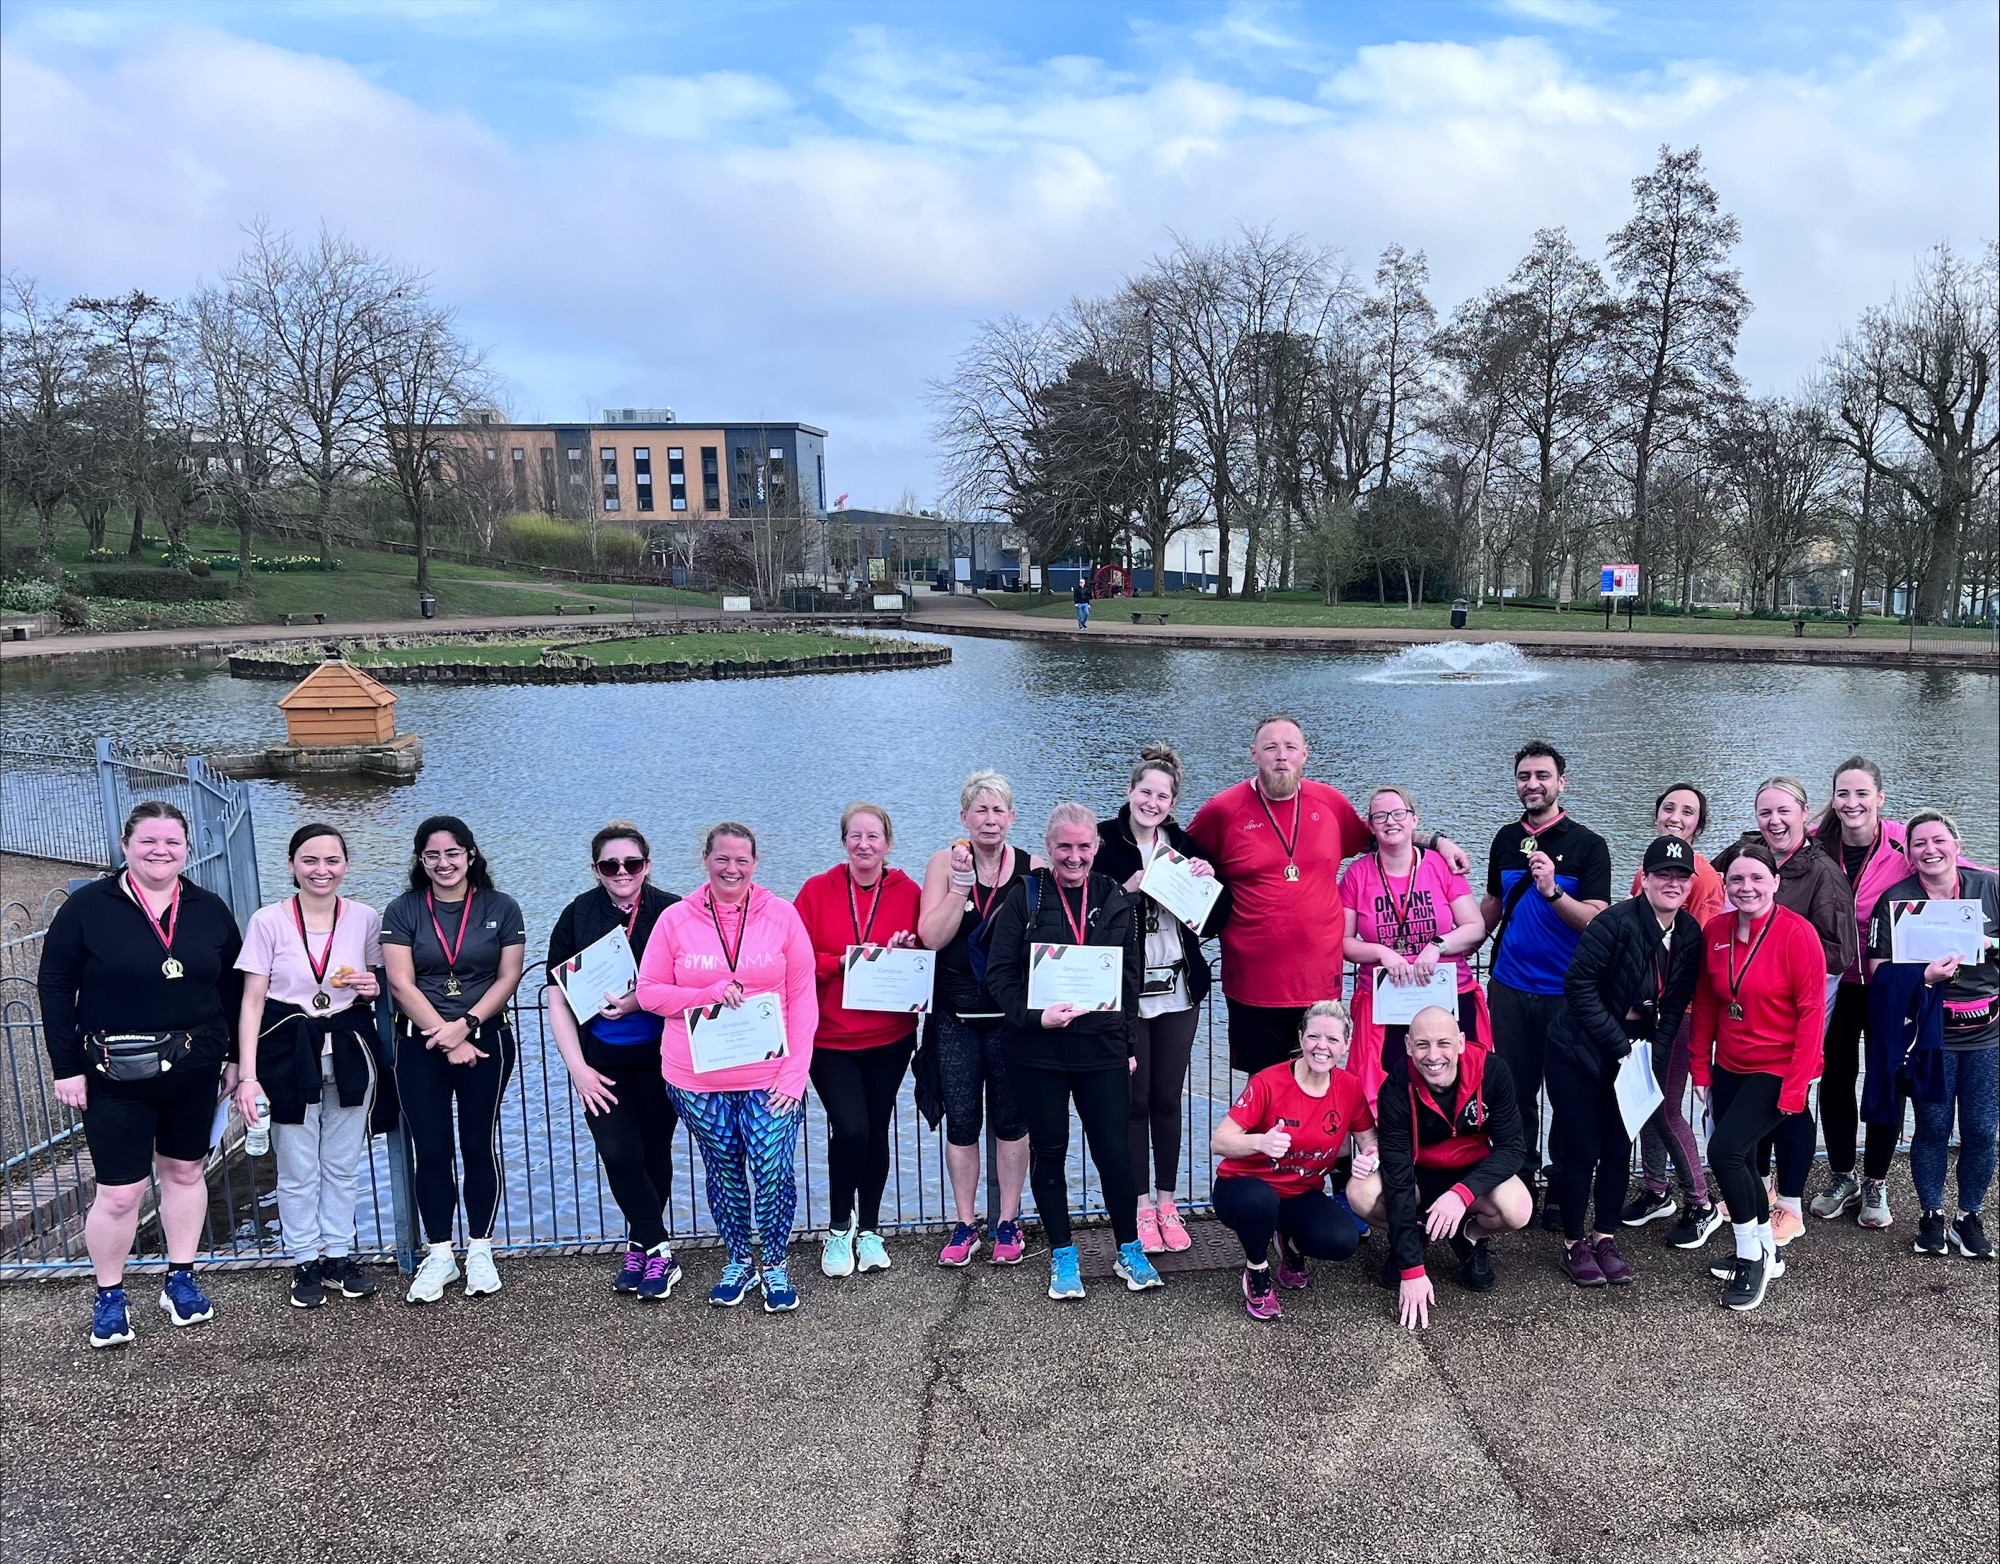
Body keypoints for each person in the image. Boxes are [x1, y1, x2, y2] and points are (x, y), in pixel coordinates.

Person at [37, 801, 244, 1347]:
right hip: (112, 1074)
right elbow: (55, 988)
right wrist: (66, 1067)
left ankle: (181, 1278)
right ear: (126, 845)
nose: (160, 851)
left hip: (194, 1069)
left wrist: (234, 1059)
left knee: (185, 1173)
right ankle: (109, 1295)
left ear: (187, 849)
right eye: (148, 841)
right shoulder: (87, 907)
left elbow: (232, 986)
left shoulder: (207, 908)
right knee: (120, 1193)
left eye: (172, 842)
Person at [1189, 714, 1466, 1078]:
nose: (1281, 756)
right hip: (1252, 983)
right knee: (1265, 1088)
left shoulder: (1329, 802)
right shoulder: (1223, 810)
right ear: (1253, 754)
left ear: (1305, 754)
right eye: (1271, 747)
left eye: (1290, 747)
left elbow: (1384, 832)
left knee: (1320, 1082)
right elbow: (1180, 857)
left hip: (1320, 980)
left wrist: (1437, 842)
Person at [637, 822, 818, 1312]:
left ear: (755, 863)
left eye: (741, 860)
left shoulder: (782, 916)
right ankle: (739, 1260)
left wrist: (795, 1075)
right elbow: (649, 993)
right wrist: (707, 994)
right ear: (705, 860)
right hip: (697, 1080)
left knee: (772, 1169)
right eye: (722, 858)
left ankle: (774, 1263)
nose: (731, 868)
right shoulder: (676, 919)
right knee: (725, 1171)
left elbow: (803, 999)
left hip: (770, 1077)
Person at [984, 802, 1159, 1300]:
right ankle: (1063, 1254)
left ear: (1097, 847)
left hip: (1102, 1050)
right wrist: (1035, 1016)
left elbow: (1128, 981)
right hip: (1037, 1050)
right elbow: (999, 975)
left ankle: (1129, 1247)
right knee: (1051, 1151)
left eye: (1083, 846)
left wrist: (1128, 1045)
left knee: (1114, 1154)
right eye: (1064, 846)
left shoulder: (1114, 897)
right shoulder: (1026, 896)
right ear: (1048, 847)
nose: (1074, 856)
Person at [234, 824, 390, 1310]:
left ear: (345, 865)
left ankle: (338, 1255)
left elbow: (375, 984)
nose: (321, 870)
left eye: (331, 860)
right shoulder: (267, 921)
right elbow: (252, 1001)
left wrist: (371, 986)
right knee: (297, 1167)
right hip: (287, 1054)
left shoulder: (364, 918)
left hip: (348, 1051)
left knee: (342, 1163)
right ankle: (304, 1257)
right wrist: (247, 1075)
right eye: (310, 860)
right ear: (291, 865)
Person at [383, 815, 528, 1305]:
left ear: (470, 855)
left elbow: (509, 977)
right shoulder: (403, 909)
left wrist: (464, 1025)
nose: (443, 863)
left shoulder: (501, 907)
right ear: (421, 860)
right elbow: (400, 982)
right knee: (432, 1149)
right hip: (419, 1044)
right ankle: (441, 1254)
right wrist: (446, 1038)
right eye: (432, 855)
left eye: (452, 853)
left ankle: (481, 1250)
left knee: (477, 1145)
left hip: (485, 1041)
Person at [1546, 837, 1704, 1287]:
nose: (1672, 883)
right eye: (1663, 874)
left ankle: (1605, 1238)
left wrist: (1654, 1053)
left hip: (1634, 1049)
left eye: (1681, 876)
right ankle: (1574, 1243)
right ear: (1645, 878)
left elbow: (1675, 1002)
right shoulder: (1613, 923)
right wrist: (1620, 1046)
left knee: (1618, 1148)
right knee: (1582, 1149)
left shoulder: (1689, 933)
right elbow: (1579, 989)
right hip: (1578, 1048)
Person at [1095, 744, 1225, 1254]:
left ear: (1173, 802)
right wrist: (1125, 890)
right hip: (1124, 992)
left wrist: (1210, 884)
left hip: (1178, 987)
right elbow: (1086, 915)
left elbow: (1215, 921)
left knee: (1168, 1099)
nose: (1152, 802)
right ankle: (1139, 1206)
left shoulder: (1186, 847)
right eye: (1144, 792)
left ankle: (1168, 1204)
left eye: (1162, 796)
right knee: (1135, 1101)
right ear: (1130, 792)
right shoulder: (1102, 842)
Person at [1688, 839, 1826, 1312]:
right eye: (1737, 879)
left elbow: (1812, 1015)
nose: (1746, 887)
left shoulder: (1797, 934)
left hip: (1779, 1065)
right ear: (1725, 885)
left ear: (1775, 882)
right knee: (1742, 1158)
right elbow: (1707, 1002)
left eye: (1756, 878)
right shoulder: (1717, 930)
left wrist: (1796, 1088)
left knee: (1723, 1152)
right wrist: (1700, 1067)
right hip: (1730, 1062)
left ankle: (1753, 1256)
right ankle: (1764, 1245)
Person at [545, 822, 682, 1299]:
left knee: (655, 1152)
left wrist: (637, 1001)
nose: (622, 872)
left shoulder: (672, 911)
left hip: (663, 1058)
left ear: (648, 865)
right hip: (601, 1061)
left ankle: (642, 1247)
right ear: (595, 870)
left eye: (632, 863)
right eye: (610, 865)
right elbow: (556, 997)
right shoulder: (577, 915)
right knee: (618, 1153)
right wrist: (578, 1070)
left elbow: (689, 985)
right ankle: (659, 1248)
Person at [1479, 741, 1612, 1206]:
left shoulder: (1589, 845)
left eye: (1542, 776)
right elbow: (1492, 906)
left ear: (1561, 783)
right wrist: (1449, 948)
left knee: (1568, 1093)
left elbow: (1596, 919)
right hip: (1509, 988)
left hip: (1566, 993)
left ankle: (1562, 1185)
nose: (1532, 784)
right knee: (1514, 1092)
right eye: (1524, 776)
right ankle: (1519, 1179)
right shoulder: (1504, 839)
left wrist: (1553, 890)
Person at [794, 802, 923, 1279]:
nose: (864, 844)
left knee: (875, 1129)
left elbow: (927, 950)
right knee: (849, 1129)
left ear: (888, 843)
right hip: (830, 1038)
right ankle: (837, 1228)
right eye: (856, 836)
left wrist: (907, 950)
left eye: (873, 836)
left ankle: (869, 1229)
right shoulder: (816, 890)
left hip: (890, 1036)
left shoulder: (910, 892)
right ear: (843, 841)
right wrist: (845, 963)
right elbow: (796, 957)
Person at [1347, 1005, 1532, 1332]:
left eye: (1443, 1043)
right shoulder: (1395, 1088)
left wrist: (1461, 1194)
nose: (1433, 1056)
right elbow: (1398, 1177)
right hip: (1419, 1176)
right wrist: (1412, 1271)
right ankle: (1416, 1234)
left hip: (1472, 1175)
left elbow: (1512, 1148)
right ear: (1408, 1045)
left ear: (1460, 1042)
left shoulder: (1493, 1071)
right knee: (1360, 1193)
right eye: (1422, 1044)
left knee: (1519, 1209)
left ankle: (1469, 1235)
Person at [917, 770, 1038, 1267]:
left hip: (1011, 1018)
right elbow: (931, 937)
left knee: (1012, 1122)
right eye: (980, 810)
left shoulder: (1033, 869)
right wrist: (959, 888)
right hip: (956, 1016)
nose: (990, 819)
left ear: (1012, 817)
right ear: (964, 816)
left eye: (998, 810)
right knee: (962, 1122)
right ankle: (965, 1225)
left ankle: (1008, 1221)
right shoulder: (942, 864)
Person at [1866, 811, 1998, 1260]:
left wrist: (1991, 945)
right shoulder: (1896, 900)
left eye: (1938, 840)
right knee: (1932, 1127)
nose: (1930, 850)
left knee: (1982, 1130)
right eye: (1918, 843)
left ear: (1957, 845)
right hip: (1929, 1035)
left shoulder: (1989, 888)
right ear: (1909, 854)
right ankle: (1931, 1215)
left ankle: (1969, 1215)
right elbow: (1877, 971)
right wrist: (1922, 976)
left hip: (1987, 1034)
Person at [1743, 776, 1858, 1247]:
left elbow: (1841, 953)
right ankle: (1761, 1187)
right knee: (1753, 1092)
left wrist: (1779, 951)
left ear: (1805, 815)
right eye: (1765, 812)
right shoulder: (1750, 853)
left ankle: (1790, 1204)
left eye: (1783, 811)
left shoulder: (1823, 874)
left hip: (1800, 1006)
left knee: (1791, 1097)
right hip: (1752, 1004)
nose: (1774, 821)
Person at [1209, 1002, 1372, 1320]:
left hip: (1299, 1192)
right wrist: (1261, 1142)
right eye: (1313, 1036)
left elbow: (1369, 1140)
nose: (1321, 1047)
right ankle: (1257, 1272)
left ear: (1346, 1045)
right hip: (1242, 1188)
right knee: (1259, 1200)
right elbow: (1220, 1141)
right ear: (1301, 1038)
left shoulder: (1349, 1087)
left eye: (1332, 1039)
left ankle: (1291, 1244)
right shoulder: (1268, 1081)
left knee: (1342, 1241)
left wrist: (1370, 1157)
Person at [1618, 786, 1728, 1248]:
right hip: (1644, 1008)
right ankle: (1655, 1188)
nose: (1676, 817)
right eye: (1669, 808)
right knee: (1645, 1101)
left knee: (1665, 1107)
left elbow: (1696, 946)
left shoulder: (1703, 876)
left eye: (1688, 812)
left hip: (1681, 1010)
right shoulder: (1645, 872)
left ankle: (1701, 1202)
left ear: (1699, 825)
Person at [1807, 757, 1912, 1229]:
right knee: (1835, 1078)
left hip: (1887, 982)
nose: (1852, 803)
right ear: (1833, 798)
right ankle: (1842, 1175)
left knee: (1886, 1079)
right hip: (1833, 981)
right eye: (1843, 794)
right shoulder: (1815, 843)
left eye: (1861, 794)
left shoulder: (1903, 842)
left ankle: (1876, 1181)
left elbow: (1953, 863)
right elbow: (1764, 857)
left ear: (1880, 798)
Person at [1339, 785, 1489, 1111]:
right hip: (1385, 1000)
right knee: (1385, 1092)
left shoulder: (1439, 866)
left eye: (1398, 813)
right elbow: (1344, 942)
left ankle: (1456, 1142)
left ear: (1414, 819)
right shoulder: (1356, 875)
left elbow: (1475, 927)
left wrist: (1438, 945)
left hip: (1447, 992)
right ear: (1370, 825)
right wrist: (1381, 952)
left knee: (1457, 1084)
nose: (1390, 821)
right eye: (1380, 816)